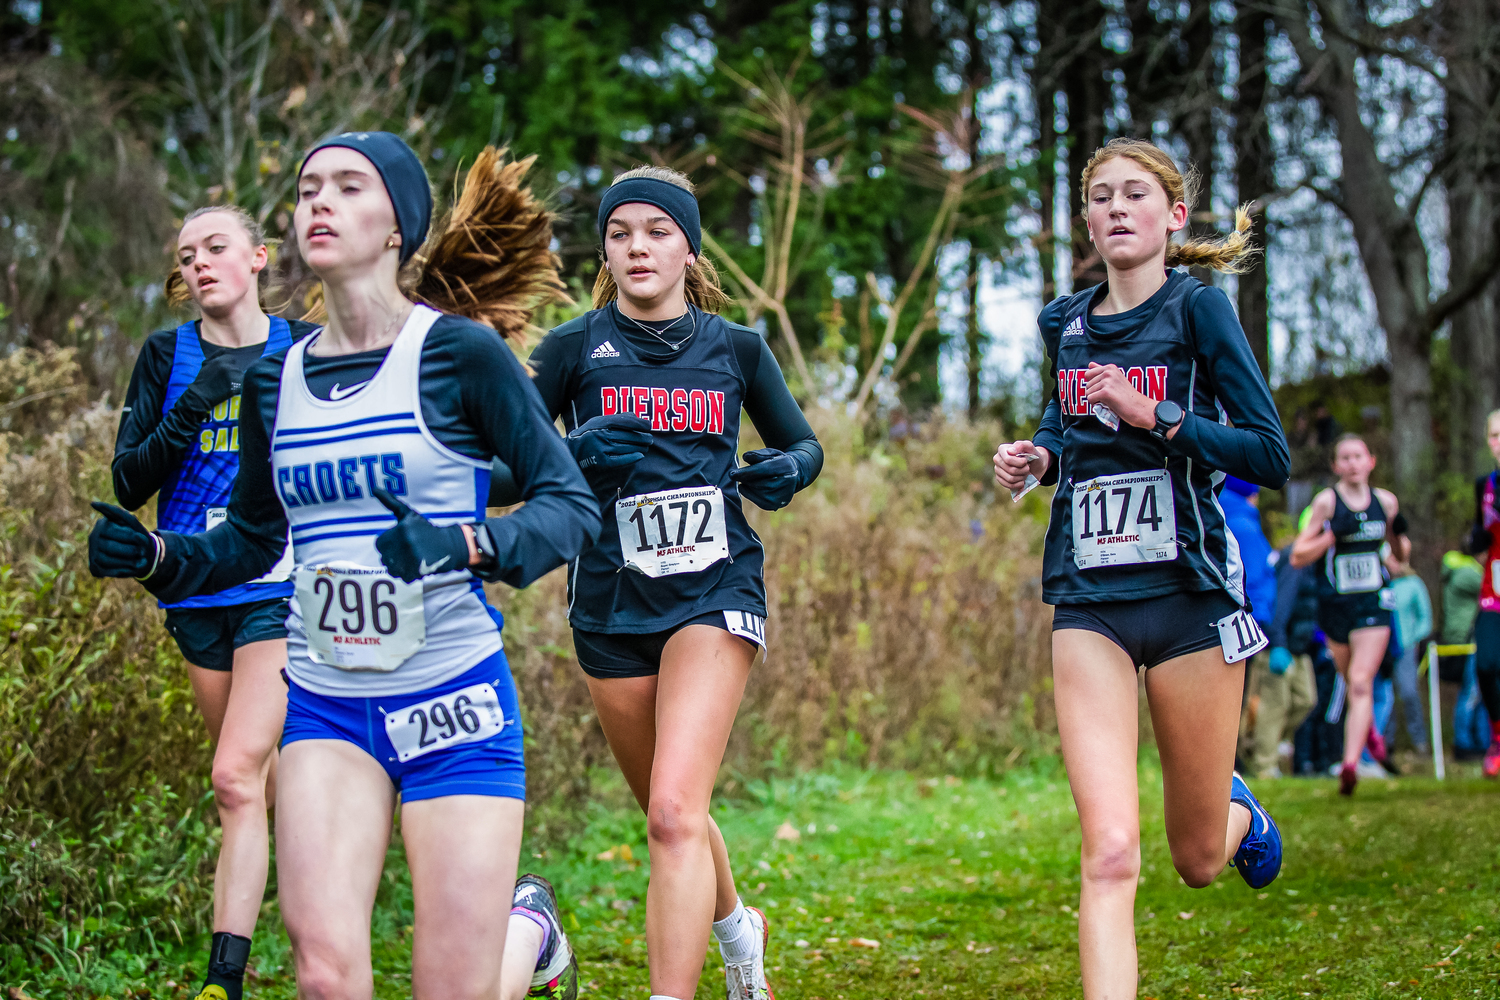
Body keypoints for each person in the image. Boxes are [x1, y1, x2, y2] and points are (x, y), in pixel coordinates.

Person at [88, 134, 601, 1000]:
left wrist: (472, 545)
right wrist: (161, 557)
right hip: (326, 705)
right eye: (307, 188)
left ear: (396, 223)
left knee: (454, 988)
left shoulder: (458, 357)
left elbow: (570, 504)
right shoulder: (274, 378)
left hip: (454, 702)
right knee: (324, 976)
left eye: (347, 186)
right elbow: (254, 541)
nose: (318, 201)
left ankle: (529, 931)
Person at [493, 164, 822, 1000]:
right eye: (619, 232)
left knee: (676, 812)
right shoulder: (571, 349)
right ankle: (739, 933)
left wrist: (787, 469)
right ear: (604, 248)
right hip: (609, 602)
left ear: (688, 246)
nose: (637, 246)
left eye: (657, 231)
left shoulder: (737, 348)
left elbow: (804, 445)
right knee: (673, 812)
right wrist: (569, 455)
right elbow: (499, 472)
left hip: (717, 590)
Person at [991, 137, 1289, 1000]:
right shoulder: (1066, 324)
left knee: (1197, 861)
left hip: (1193, 601)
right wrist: (1036, 461)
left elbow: (1266, 453)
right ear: (1087, 219)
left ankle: (1241, 811)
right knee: (1111, 849)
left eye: (1135, 194)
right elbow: (1063, 425)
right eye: (1101, 197)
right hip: (1091, 603)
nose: (1117, 208)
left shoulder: (1200, 313)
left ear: (1173, 216)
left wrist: (1156, 415)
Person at [110, 204, 316, 1000]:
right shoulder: (168, 354)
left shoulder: (301, 347)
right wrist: (199, 399)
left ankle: (221, 980)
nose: (199, 262)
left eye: (216, 247)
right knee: (256, 788)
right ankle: (326, 872)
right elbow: (129, 483)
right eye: (187, 253)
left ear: (258, 258)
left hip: (280, 584)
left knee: (232, 776)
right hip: (194, 590)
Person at [1290, 434, 1406, 794]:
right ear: (1336, 466)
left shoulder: (1386, 502)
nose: (1353, 463)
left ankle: (1350, 766)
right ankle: (1369, 733)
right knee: (1350, 679)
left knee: (1359, 681)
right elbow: (1297, 555)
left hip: (1374, 603)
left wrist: (1400, 539)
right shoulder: (1326, 502)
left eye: (1359, 456)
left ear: (1371, 461)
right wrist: (1330, 537)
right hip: (1335, 604)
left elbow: (1399, 559)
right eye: (1346, 457)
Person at [1251, 516, 1319, 779]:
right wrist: (1278, 644)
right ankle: (1264, 766)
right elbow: (1279, 603)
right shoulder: (1296, 560)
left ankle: (1258, 743)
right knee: (1274, 706)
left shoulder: (1315, 562)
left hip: (1299, 648)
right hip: (1279, 645)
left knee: (1306, 700)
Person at [1220, 476, 1276, 769]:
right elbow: (1253, 577)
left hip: (1229, 617)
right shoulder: (1244, 523)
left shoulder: (1221, 510)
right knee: (1237, 693)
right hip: (1244, 620)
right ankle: (1232, 760)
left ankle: (1230, 758)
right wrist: (1262, 619)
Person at [1465, 408, 1500, 776]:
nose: (1499, 442)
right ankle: (1496, 734)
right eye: (1495, 435)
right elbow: (1479, 538)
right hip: (1494, 590)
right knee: (1488, 664)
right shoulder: (1484, 485)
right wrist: (1476, 539)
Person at [1383, 567, 1432, 757]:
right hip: (1381, 648)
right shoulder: (1380, 582)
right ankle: (1386, 743)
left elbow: (1424, 618)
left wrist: (1414, 638)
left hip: (1406, 648)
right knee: (1386, 696)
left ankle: (1420, 742)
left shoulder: (1413, 584)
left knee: (1409, 692)